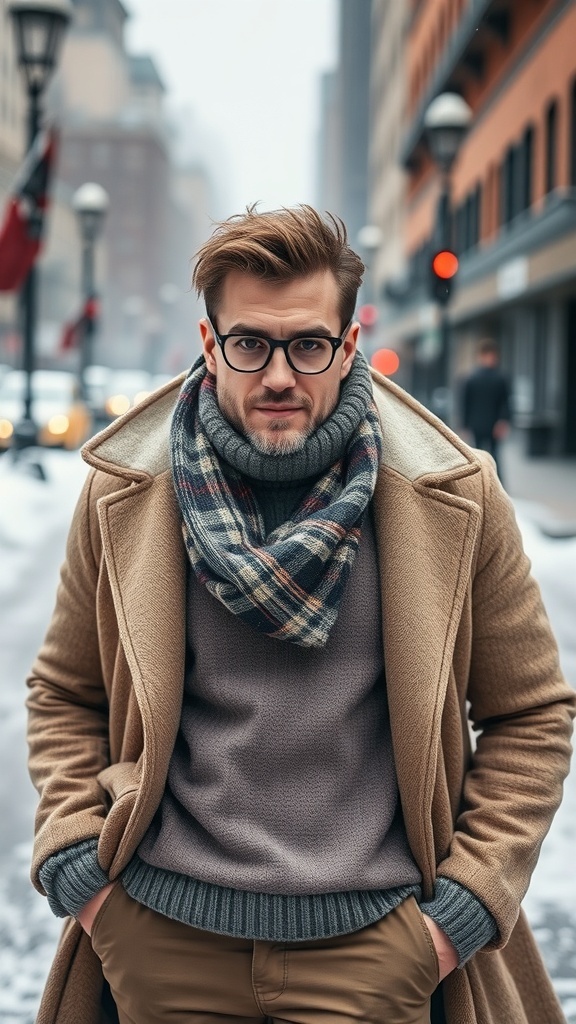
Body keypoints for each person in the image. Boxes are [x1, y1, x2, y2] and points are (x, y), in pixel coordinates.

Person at [27, 206, 574, 1024]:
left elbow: (531, 713)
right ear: (210, 348)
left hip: (376, 955)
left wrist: (457, 918)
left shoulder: (451, 493)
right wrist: (85, 877)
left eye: (309, 345)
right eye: (250, 343)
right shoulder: (128, 491)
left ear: (348, 346)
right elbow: (64, 693)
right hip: (159, 942)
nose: (279, 375)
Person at [460, 339, 511, 480]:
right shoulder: (472, 379)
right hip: (479, 423)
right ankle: (483, 482)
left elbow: (505, 402)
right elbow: (465, 403)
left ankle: (495, 483)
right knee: (481, 455)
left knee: (493, 456)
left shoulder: (499, 378)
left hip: (490, 424)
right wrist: (465, 426)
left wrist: (503, 421)